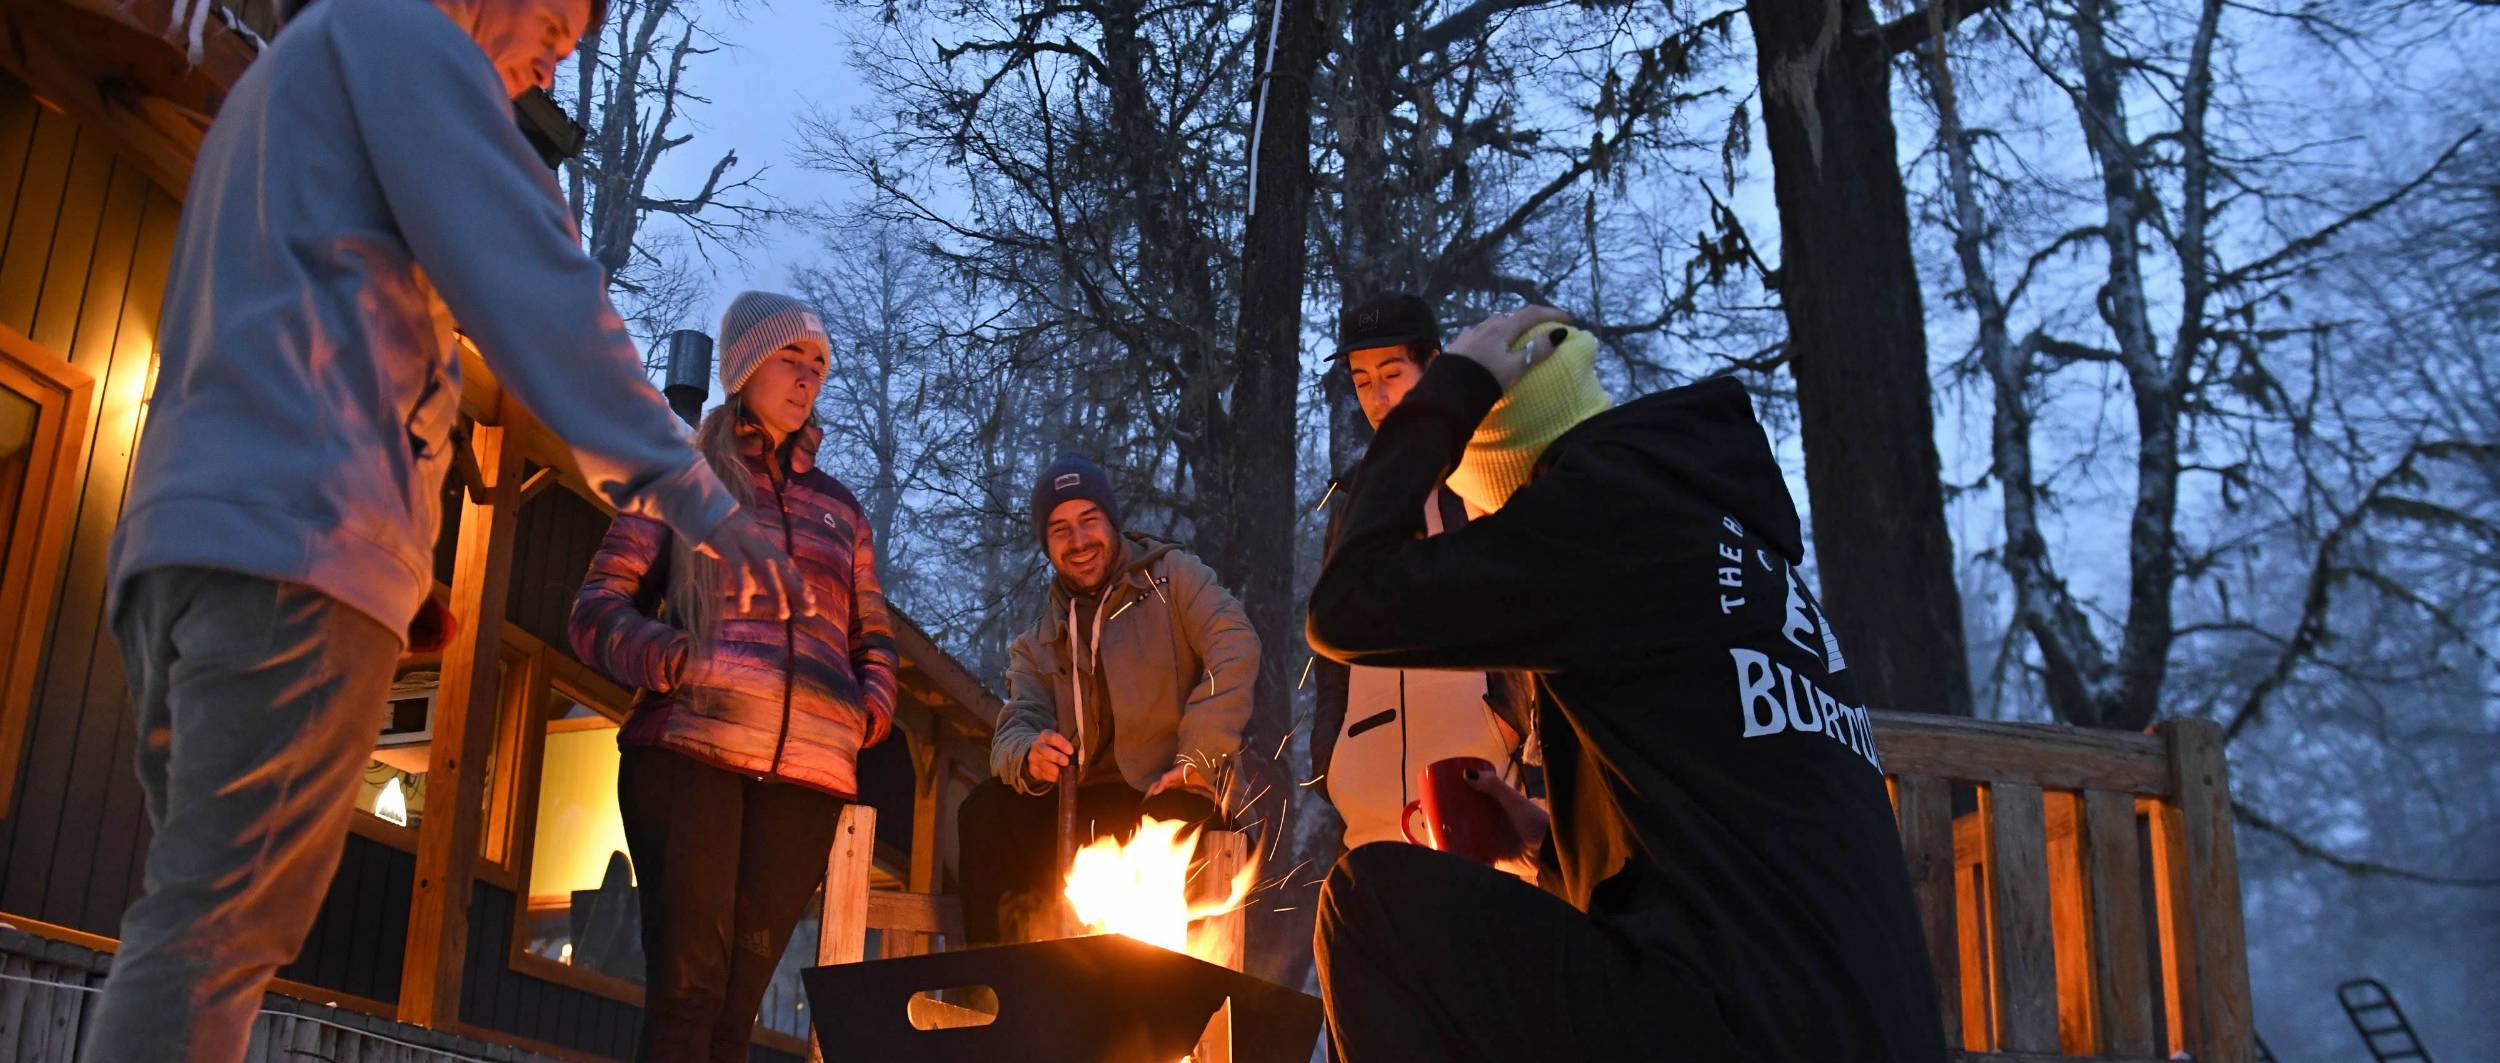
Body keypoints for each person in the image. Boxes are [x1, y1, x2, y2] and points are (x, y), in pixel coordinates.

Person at [87, 0, 808, 1059]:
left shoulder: (295, 75)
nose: (553, 67)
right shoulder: (405, 41)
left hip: (188, 541)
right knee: (218, 934)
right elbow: (536, 286)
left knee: (191, 917)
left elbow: (284, 321)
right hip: (296, 552)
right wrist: (690, 489)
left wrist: (401, 562)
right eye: (556, 25)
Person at [1306, 307, 1947, 1062]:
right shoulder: (1707, 538)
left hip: (1741, 1027)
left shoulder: (1592, 521)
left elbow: (1347, 605)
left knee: (1371, 905)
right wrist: (1545, 838)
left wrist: (1447, 397)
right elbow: (1727, 835)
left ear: (1501, 471)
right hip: (1851, 1026)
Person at [568, 292, 899, 1062]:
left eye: (819, 364)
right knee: (688, 993)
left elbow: (873, 638)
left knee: (737, 1010)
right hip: (689, 757)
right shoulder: (684, 477)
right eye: (792, 357)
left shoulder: (840, 512)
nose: (808, 376)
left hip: (807, 780)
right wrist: (672, 657)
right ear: (745, 364)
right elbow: (595, 607)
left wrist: (864, 711)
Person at [957, 455, 1260, 944]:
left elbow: (1236, 645)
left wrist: (1198, 760)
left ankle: (1166, 1008)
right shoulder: (1041, 638)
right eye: (1059, 529)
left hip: (1174, 791)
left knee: (1169, 819)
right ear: (1046, 543)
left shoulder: (1173, 579)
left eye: (1088, 521)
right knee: (985, 813)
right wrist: (1030, 756)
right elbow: (1014, 726)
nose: (1077, 541)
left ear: (1112, 522)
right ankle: (992, 995)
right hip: (1086, 809)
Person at [1311, 293, 1532, 851]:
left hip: (1478, 779)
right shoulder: (1353, 500)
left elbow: (1521, 617)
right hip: (1370, 793)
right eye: (1362, 381)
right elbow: (1331, 645)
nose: (1378, 397)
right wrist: (1332, 753)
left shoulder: (1482, 475)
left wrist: (1509, 729)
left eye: (1391, 373)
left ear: (1433, 368)